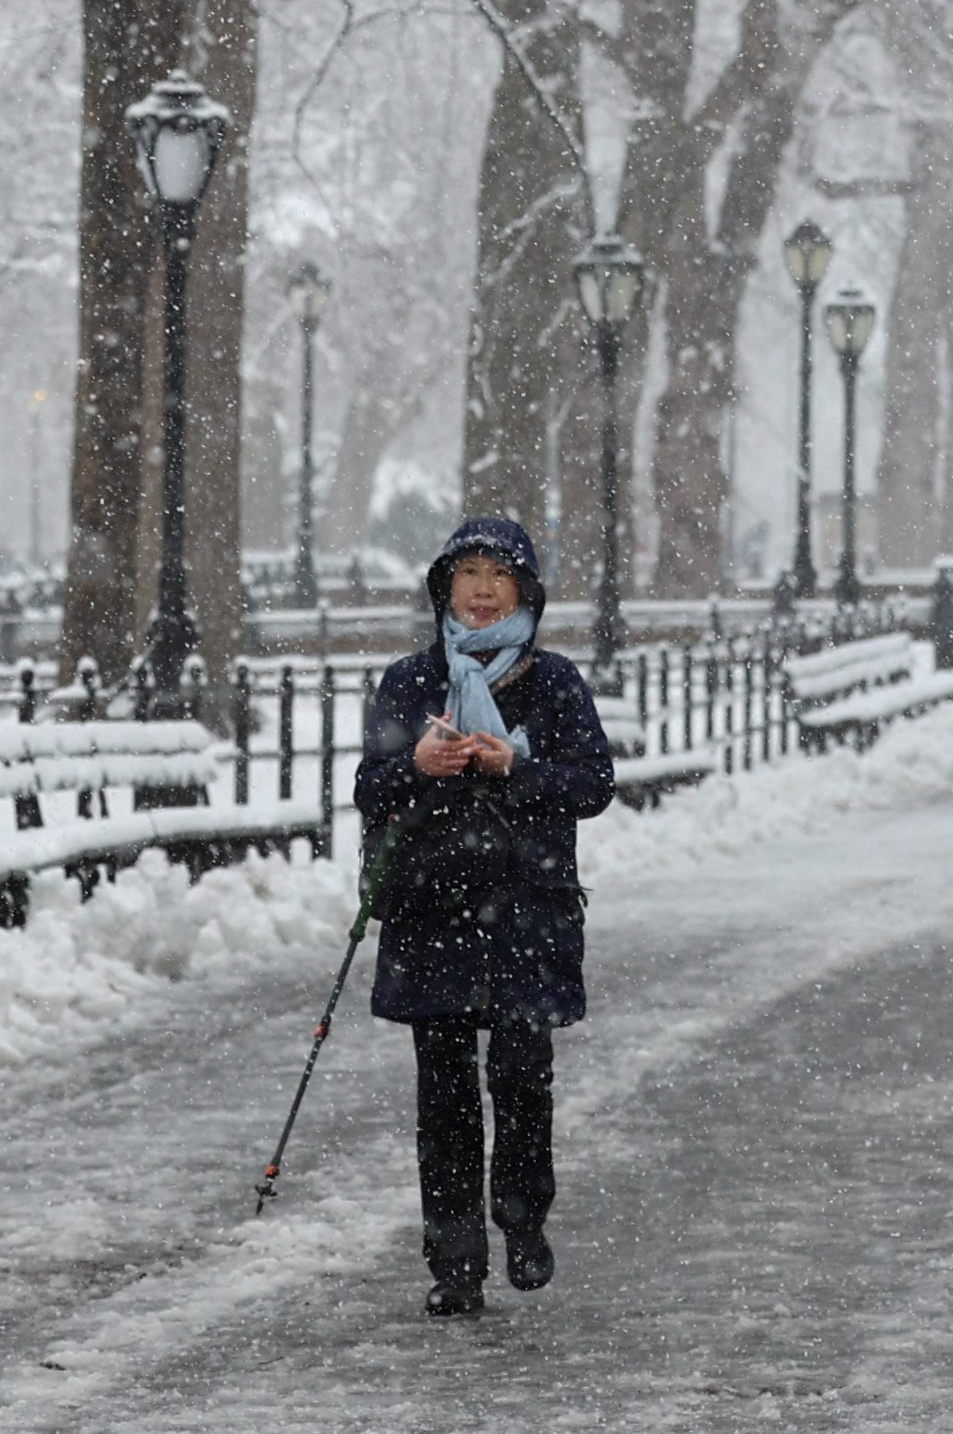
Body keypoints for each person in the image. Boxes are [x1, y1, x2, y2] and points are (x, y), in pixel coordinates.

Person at [354, 517, 615, 1319]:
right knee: (444, 1097)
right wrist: (416, 764)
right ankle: (456, 1258)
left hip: (526, 913)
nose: (480, 588)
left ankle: (524, 1215)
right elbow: (370, 787)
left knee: (522, 1079)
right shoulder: (409, 681)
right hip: (433, 911)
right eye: (466, 572)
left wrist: (518, 766)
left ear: (524, 591)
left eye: (498, 574)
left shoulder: (555, 681)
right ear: (444, 587)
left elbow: (594, 783)